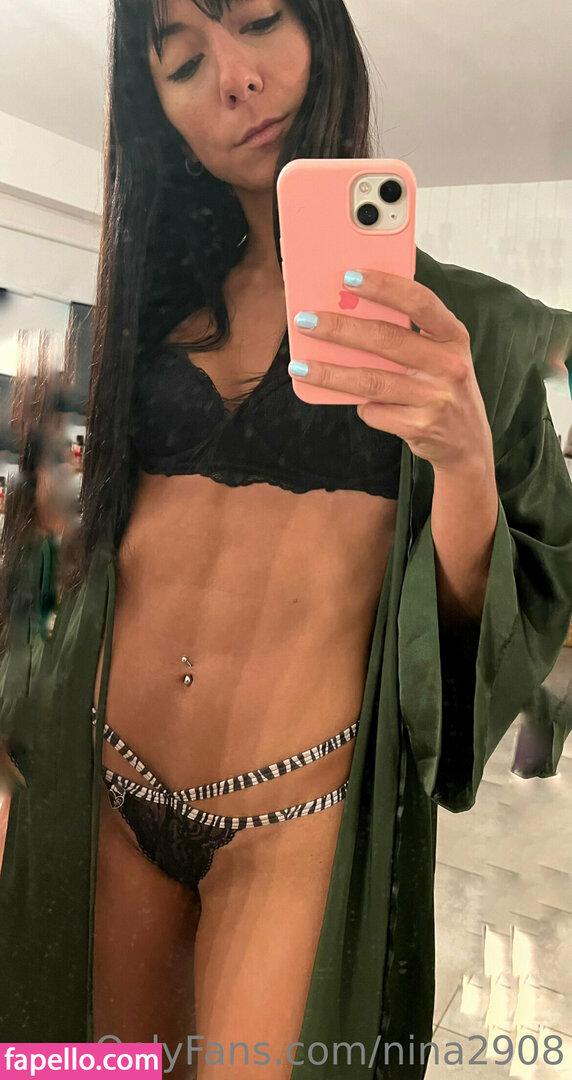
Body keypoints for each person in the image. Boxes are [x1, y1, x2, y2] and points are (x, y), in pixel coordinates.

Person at [1, 1, 572, 1077]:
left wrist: (461, 459)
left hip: (293, 821)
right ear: (158, 113)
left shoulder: (470, 331)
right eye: (181, 63)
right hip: (103, 789)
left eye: (259, 20)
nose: (232, 77)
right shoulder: (141, 318)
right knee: (87, 1066)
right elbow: (61, 557)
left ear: (323, 32)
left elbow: (476, 632)